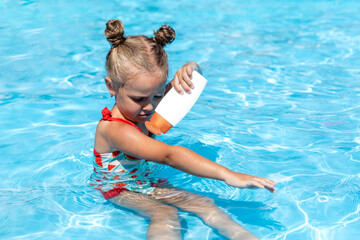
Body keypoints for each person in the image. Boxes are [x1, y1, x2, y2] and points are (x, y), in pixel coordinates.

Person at [90, 19, 276, 240]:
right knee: (165, 213)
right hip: (118, 187)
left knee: (203, 203)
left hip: (144, 180)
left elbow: (193, 83)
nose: (150, 106)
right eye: (139, 98)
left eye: (158, 95)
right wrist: (228, 175)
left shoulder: (144, 104)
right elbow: (170, 155)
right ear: (111, 87)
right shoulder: (115, 130)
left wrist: (192, 68)